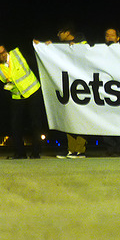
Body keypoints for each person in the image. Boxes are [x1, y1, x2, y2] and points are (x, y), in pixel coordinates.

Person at [35, 24, 89, 158]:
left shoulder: (82, 42)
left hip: (82, 86)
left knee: (81, 118)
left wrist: (74, 45)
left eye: (60, 32)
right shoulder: (63, 45)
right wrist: (43, 46)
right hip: (69, 86)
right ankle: (71, 149)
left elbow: (86, 53)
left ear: (67, 32)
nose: (58, 35)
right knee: (69, 118)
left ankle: (80, 150)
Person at [0, 45, 45, 159]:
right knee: (15, 125)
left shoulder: (17, 54)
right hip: (17, 96)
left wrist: (42, 44)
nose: (3, 55)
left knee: (36, 123)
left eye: (4, 51)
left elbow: (35, 51)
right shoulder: (0, 68)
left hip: (32, 91)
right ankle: (20, 153)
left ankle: (36, 152)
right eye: (0, 54)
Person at [102, 27, 120, 156]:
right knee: (106, 119)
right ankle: (110, 149)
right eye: (107, 35)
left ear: (118, 38)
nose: (109, 38)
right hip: (105, 90)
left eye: (112, 35)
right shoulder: (99, 50)